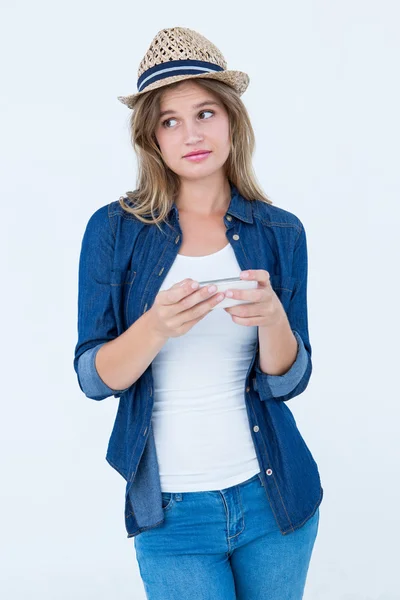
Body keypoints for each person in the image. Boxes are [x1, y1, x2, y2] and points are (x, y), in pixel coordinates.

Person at [73, 26, 323, 600]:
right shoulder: (113, 231)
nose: (191, 134)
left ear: (233, 120)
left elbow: (290, 379)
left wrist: (273, 320)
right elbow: (94, 377)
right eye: (170, 120)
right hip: (172, 515)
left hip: (276, 500)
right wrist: (157, 325)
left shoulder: (281, 231)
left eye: (206, 113)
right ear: (151, 138)